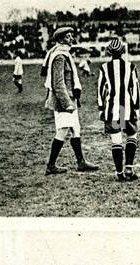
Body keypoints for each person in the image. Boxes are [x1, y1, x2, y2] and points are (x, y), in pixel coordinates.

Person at [42, 26, 98, 175]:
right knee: (63, 130)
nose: (72, 39)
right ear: (61, 39)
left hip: (69, 98)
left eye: (71, 36)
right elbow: (58, 83)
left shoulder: (63, 54)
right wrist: (67, 103)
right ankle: (51, 165)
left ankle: (81, 162)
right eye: (68, 36)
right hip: (63, 99)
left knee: (75, 129)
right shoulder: (59, 56)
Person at [97, 36, 140, 182]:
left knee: (116, 140)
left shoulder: (104, 67)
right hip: (127, 108)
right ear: (123, 51)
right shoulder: (130, 66)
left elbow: (100, 90)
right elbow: (134, 88)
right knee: (131, 135)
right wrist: (136, 107)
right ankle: (129, 168)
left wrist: (101, 108)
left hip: (113, 109)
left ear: (109, 52)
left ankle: (119, 173)